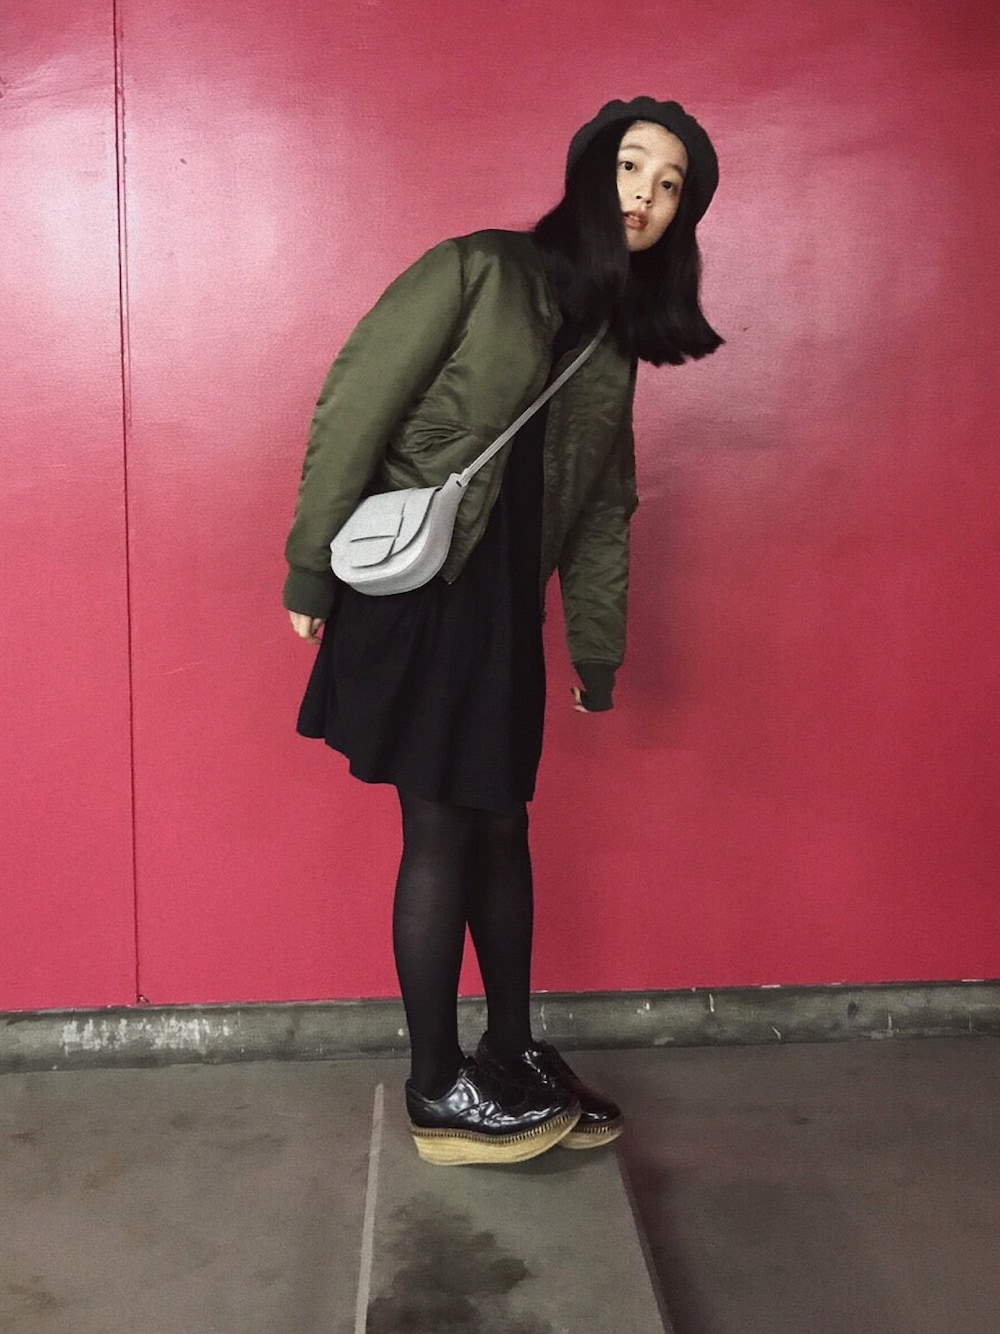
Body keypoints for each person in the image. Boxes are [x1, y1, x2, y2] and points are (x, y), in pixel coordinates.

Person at [283, 97, 722, 1166]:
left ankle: (511, 1051)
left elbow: (604, 504)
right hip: (423, 595)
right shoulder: (478, 268)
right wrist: (309, 562)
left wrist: (597, 649)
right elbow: (355, 402)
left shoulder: (610, 339)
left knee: (502, 827)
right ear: (588, 170)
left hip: (504, 609)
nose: (645, 196)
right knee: (440, 829)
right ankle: (437, 1088)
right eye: (631, 166)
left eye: (671, 186)